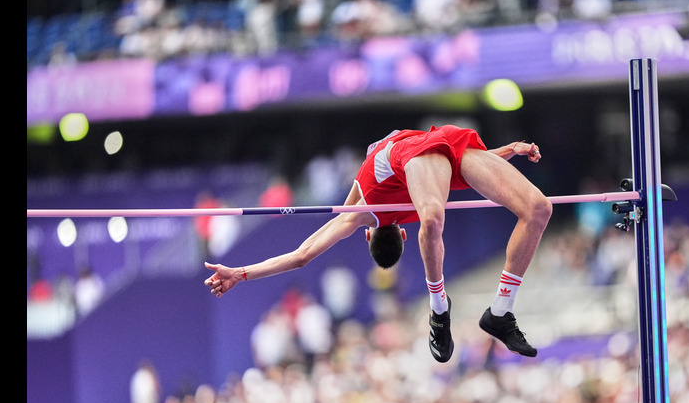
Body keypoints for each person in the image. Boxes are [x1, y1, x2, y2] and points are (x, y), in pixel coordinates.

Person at [204, 124, 551, 363]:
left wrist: (242, 272)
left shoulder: (360, 213)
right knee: (433, 215)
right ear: (396, 233)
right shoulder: (361, 214)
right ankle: (438, 309)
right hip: (419, 154)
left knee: (538, 208)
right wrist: (509, 150)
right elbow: (300, 256)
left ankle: (500, 312)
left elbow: (301, 256)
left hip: (438, 150)